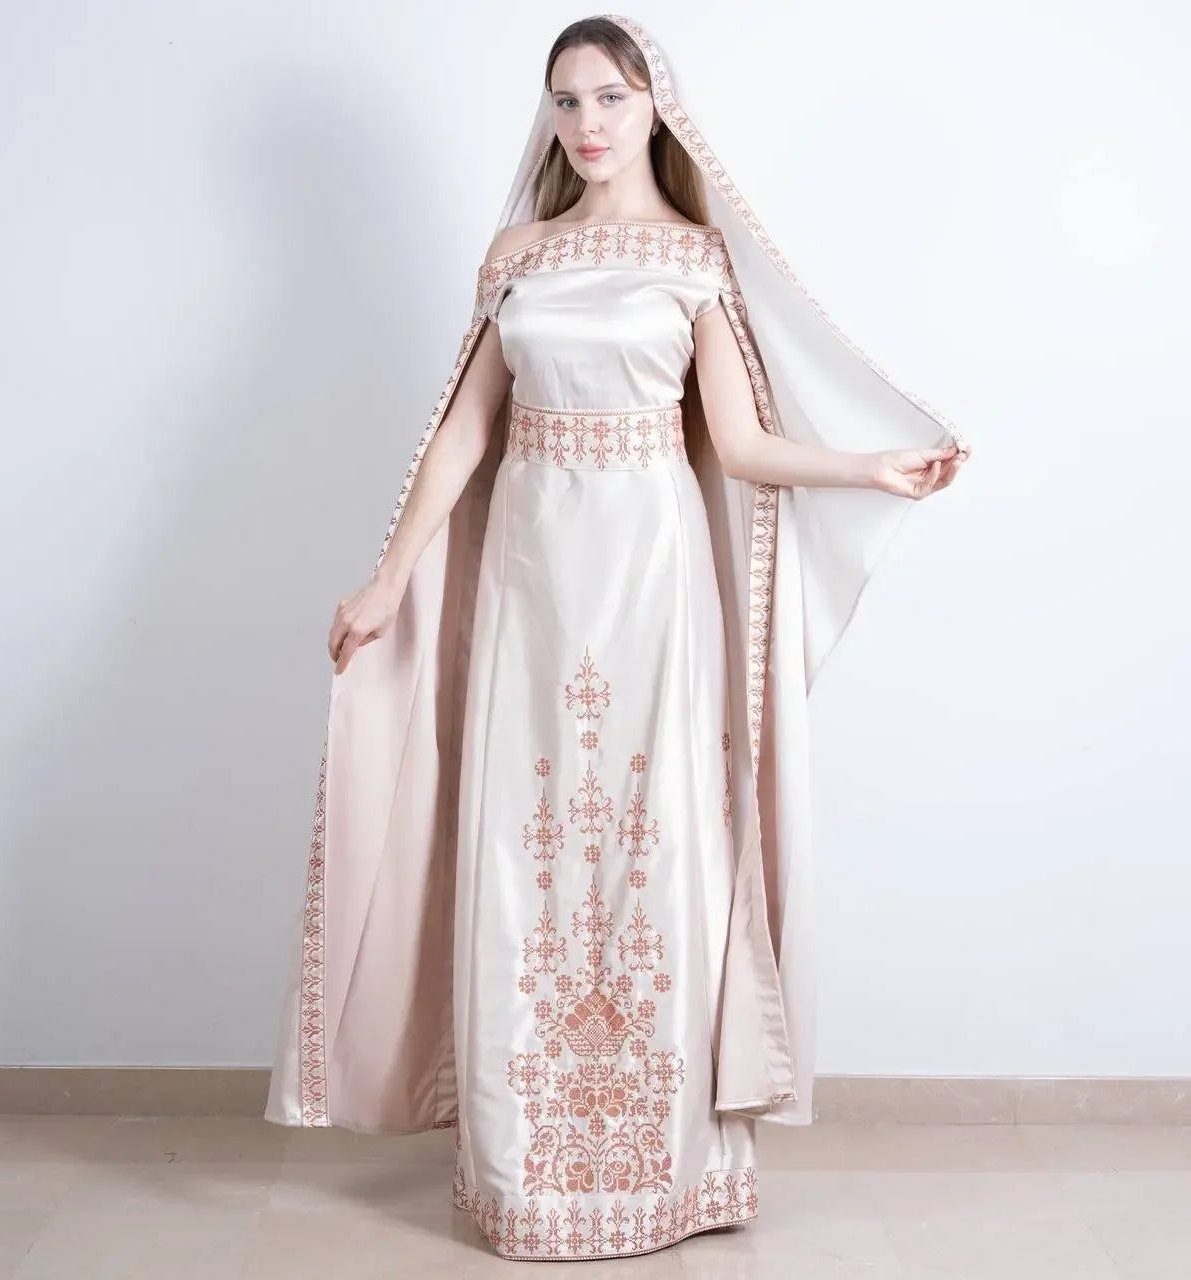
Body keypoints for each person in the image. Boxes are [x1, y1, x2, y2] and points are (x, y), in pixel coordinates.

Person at [265, 11, 971, 1263]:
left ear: (656, 106)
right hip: (533, 573)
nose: (585, 123)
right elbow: (466, 432)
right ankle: (526, 1173)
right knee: (524, 834)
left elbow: (739, 445)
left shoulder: (694, 258)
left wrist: (869, 466)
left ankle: (665, 1168)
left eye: (608, 97)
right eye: (565, 100)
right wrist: (387, 580)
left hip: (650, 576)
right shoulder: (517, 255)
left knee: (655, 838)